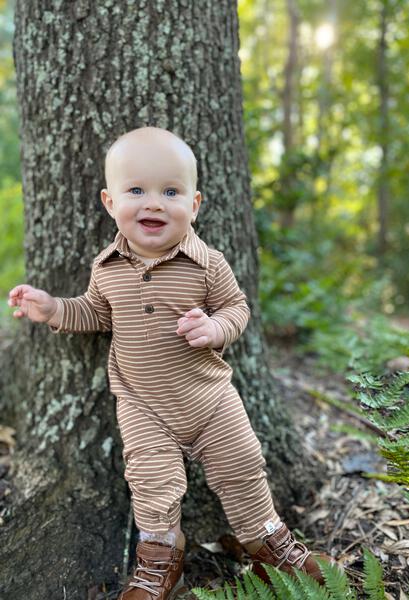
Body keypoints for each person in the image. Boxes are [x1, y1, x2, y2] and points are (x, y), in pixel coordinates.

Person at [8, 127, 332, 599]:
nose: (154, 203)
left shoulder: (208, 264)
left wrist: (216, 328)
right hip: (144, 407)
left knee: (243, 467)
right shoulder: (106, 268)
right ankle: (161, 562)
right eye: (136, 190)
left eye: (171, 191)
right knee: (152, 483)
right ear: (109, 201)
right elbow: (95, 313)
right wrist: (53, 309)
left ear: (195, 205)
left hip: (210, 398)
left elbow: (237, 308)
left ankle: (268, 548)